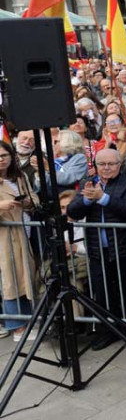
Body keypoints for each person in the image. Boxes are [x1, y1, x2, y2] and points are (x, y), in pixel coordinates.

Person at [66, 148, 126, 351]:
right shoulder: (88, 183)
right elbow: (72, 211)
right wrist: (87, 199)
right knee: (102, 292)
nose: (106, 168)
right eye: (102, 164)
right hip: (96, 249)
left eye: (111, 164)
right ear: (96, 166)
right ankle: (107, 332)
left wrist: (103, 198)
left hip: (123, 246)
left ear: (119, 165)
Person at [0, 141, 38, 341]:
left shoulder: (20, 176)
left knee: (25, 276)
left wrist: (28, 202)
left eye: (4, 155)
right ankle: (17, 326)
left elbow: (34, 198)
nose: (1, 160)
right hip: (4, 236)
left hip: (24, 230)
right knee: (10, 280)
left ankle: (28, 319)